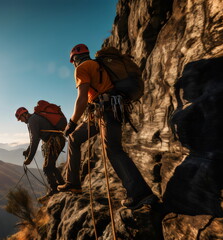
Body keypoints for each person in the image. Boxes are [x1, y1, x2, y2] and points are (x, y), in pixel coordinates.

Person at [57, 44, 157, 210]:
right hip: (105, 110)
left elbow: (81, 98)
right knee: (74, 138)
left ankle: (141, 194)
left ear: (74, 59)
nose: (74, 64)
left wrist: (72, 123)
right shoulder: (98, 65)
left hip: (106, 110)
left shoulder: (82, 68)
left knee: (113, 149)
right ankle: (72, 182)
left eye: (73, 61)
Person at [15, 106, 65, 202]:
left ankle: (54, 190)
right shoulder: (34, 118)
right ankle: (61, 185)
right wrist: (27, 150)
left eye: (20, 118)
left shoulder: (32, 121)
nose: (20, 121)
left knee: (47, 167)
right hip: (57, 140)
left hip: (54, 141)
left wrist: (29, 158)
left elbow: (35, 140)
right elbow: (33, 139)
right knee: (51, 166)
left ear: (24, 114)